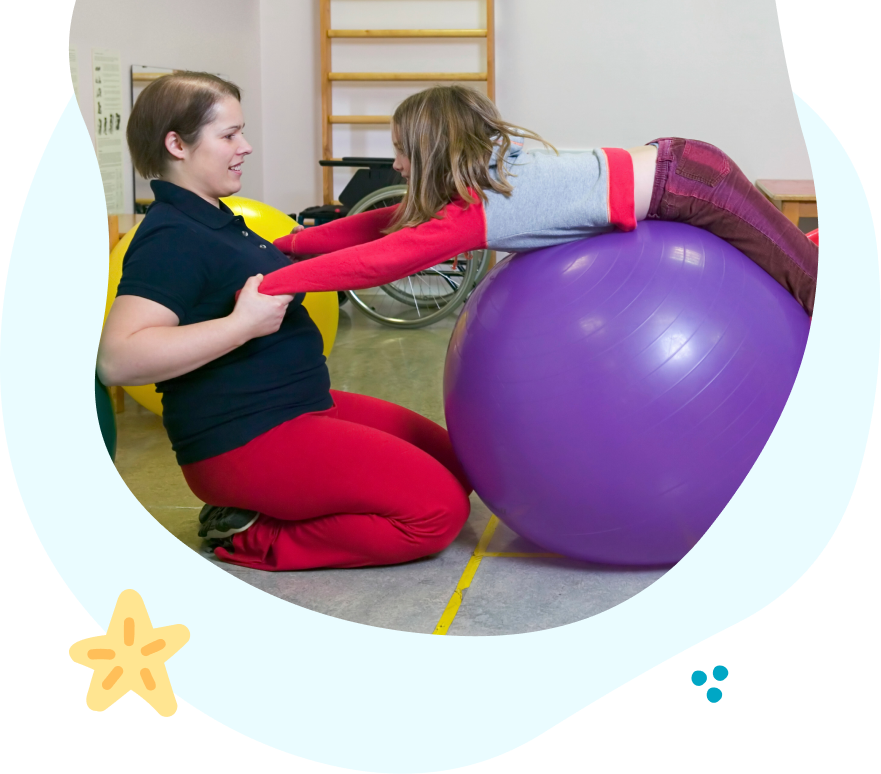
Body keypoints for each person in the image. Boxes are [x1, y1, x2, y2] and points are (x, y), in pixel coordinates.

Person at [97, 72, 472, 572]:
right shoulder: (170, 236)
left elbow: (320, 245)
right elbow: (118, 359)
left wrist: (433, 212)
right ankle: (250, 534)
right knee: (436, 513)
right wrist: (240, 325)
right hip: (248, 437)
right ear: (176, 145)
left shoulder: (217, 221)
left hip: (303, 405)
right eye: (229, 135)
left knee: (457, 464)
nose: (245, 146)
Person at [257, 86, 817, 316]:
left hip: (692, 183)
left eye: (403, 153)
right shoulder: (482, 182)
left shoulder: (482, 209)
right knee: (791, 264)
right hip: (679, 173)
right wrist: (285, 245)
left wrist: (272, 282)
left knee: (812, 287)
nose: (397, 166)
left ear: (432, 153)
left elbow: (381, 259)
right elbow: (385, 225)